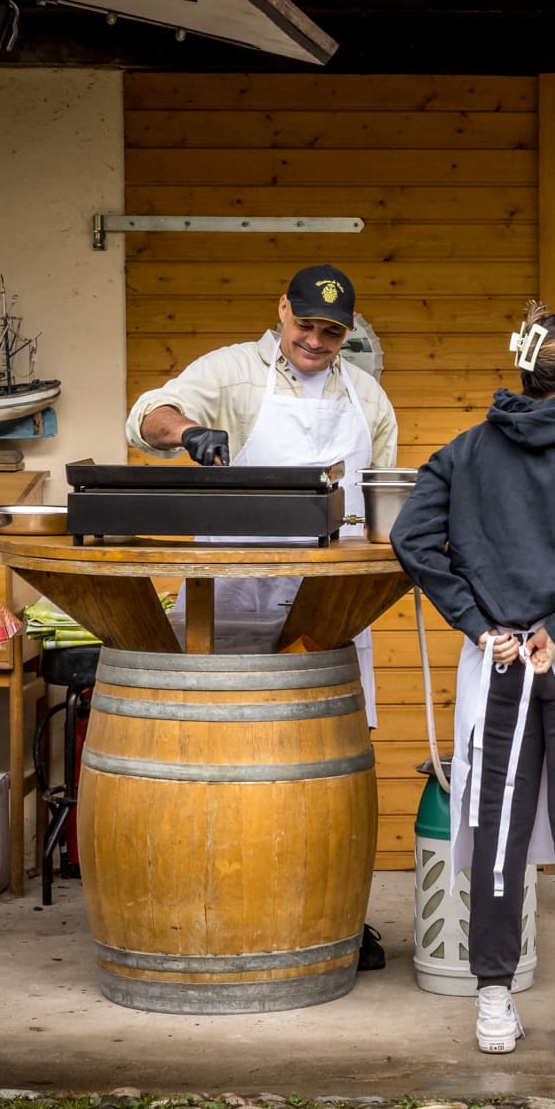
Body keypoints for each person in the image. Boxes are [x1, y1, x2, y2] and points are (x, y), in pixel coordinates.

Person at [390, 306, 555, 1062]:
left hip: (499, 655)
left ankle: (495, 996)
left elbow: (413, 537)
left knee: (499, 833)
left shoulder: (464, 452)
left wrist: (477, 620)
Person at [125, 262, 398, 970]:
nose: (314, 339)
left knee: (329, 752)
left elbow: (380, 503)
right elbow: (146, 414)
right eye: (305, 323)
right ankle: (209, 904)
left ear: (347, 332)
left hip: (330, 594)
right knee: (223, 747)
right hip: (233, 589)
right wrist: (188, 433)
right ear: (282, 310)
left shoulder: (366, 396)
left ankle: (337, 913)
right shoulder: (233, 372)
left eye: (330, 331)